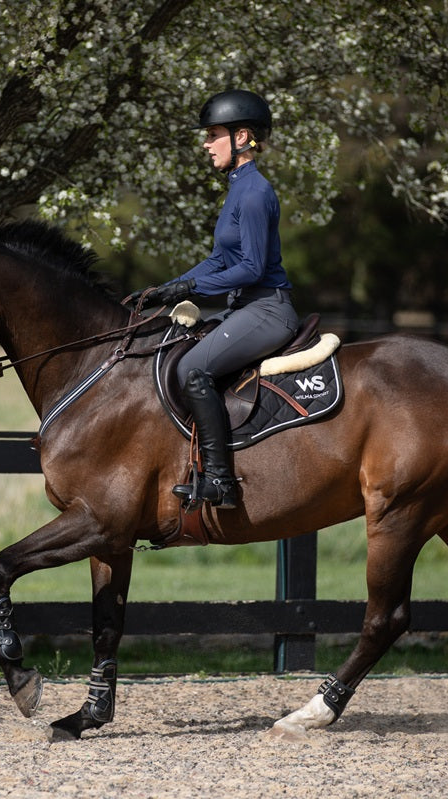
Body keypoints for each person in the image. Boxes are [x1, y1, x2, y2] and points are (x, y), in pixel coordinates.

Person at [138, 89, 298, 509]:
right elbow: (217, 261)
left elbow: (251, 269)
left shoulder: (254, 192)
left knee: (193, 369)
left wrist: (190, 290)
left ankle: (222, 482)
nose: (206, 145)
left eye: (213, 135)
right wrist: (164, 289)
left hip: (267, 309)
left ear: (241, 136)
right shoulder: (237, 190)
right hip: (244, 307)